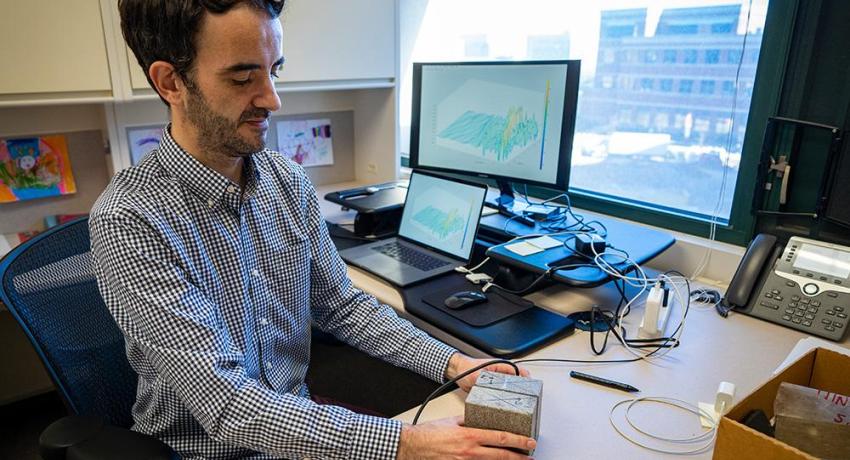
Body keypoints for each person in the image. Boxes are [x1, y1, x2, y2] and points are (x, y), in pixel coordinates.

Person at [90, 1, 535, 458]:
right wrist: (411, 444)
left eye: (273, 71)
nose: (271, 98)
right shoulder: (129, 220)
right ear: (171, 82)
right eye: (243, 78)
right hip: (206, 450)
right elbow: (229, 406)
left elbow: (343, 306)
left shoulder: (287, 181)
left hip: (300, 427)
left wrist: (457, 365)